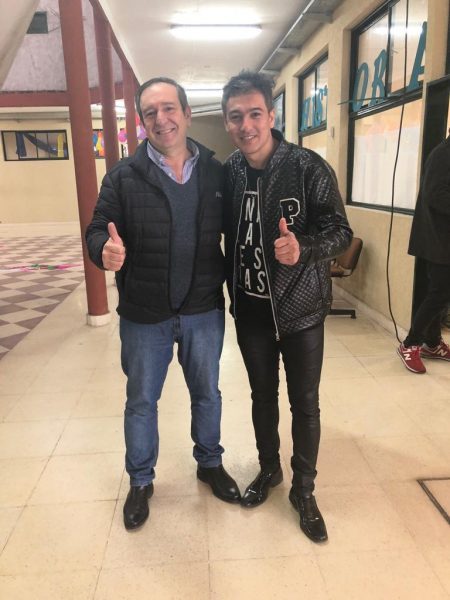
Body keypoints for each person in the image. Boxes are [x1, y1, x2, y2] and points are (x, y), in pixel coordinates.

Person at [86, 77, 240, 531]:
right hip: (144, 314)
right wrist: (103, 251)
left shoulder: (216, 173)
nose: (161, 119)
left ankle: (210, 463)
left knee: (207, 393)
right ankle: (140, 481)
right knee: (141, 402)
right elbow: (97, 229)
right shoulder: (122, 177)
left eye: (169, 108)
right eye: (150, 112)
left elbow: (238, 231)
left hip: (202, 308)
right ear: (141, 121)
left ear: (187, 113)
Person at [221, 70, 352, 543]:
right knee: (262, 397)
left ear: (272, 115)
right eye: (236, 116)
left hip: (301, 311)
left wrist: (304, 248)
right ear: (227, 121)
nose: (246, 125)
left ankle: (304, 490)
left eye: (255, 113)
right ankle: (269, 469)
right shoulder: (230, 171)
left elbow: (341, 232)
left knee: (305, 404)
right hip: (251, 311)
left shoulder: (307, 167)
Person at [397, 129, 450, 373]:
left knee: (441, 294)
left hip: (442, 240)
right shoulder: (443, 154)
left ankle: (432, 343)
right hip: (437, 240)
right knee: (440, 293)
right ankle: (410, 344)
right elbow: (435, 195)